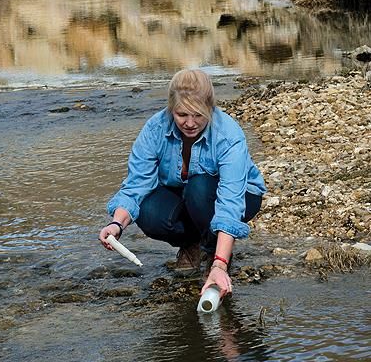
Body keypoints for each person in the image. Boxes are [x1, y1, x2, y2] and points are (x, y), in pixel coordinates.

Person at [98, 68, 266, 298]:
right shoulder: (155, 129)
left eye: (198, 115)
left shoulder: (228, 135)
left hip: (240, 195)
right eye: (181, 114)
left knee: (199, 188)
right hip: (183, 192)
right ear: (171, 110)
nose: (189, 123)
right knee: (148, 211)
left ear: (210, 108)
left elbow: (230, 202)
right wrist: (117, 225)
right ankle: (191, 244)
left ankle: (214, 251)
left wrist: (219, 264)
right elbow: (137, 185)